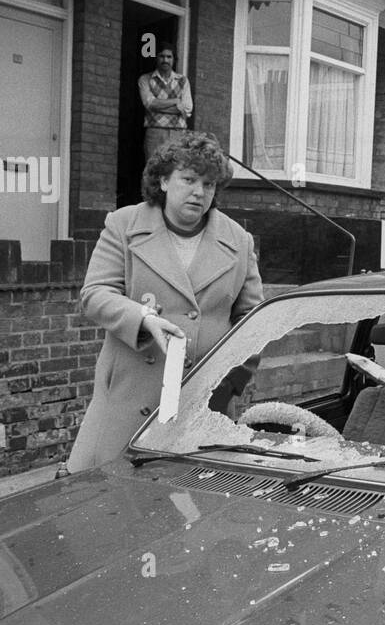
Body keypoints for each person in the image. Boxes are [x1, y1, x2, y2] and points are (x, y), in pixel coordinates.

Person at [67, 132, 263, 471]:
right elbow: (95, 294)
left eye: (209, 184)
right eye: (188, 179)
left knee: (189, 510)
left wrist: (229, 384)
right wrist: (142, 319)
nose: (199, 192)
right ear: (163, 180)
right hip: (127, 401)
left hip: (201, 405)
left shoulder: (238, 241)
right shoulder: (124, 225)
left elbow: (254, 323)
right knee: (106, 501)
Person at [139, 42, 193, 160]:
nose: (165, 60)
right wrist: (176, 101)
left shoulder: (182, 80)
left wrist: (158, 107)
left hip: (177, 132)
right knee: (153, 171)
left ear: (174, 59)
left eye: (169, 57)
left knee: (175, 171)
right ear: (156, 58)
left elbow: (188, 108)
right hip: (155, 132)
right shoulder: (146, 79)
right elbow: (149, 104)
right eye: (162, 56)